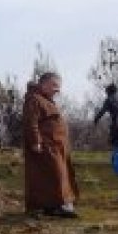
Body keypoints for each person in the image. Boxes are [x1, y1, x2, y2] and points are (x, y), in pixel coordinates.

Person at [21, 73, 79, 218]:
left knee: (56, 176)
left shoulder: (47, 100)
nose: (57, 89)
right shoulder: (34, 99)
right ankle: (58, 205)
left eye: (58, 86)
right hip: (46, 146)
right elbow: (31, 122)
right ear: (44, 84)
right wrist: (36, 142)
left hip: (57, 146)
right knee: (54, 176)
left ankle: (53, 206)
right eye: (54, 85)